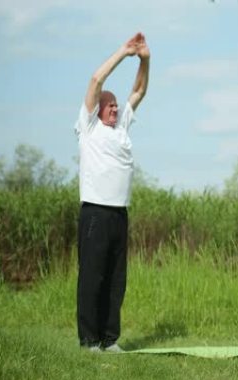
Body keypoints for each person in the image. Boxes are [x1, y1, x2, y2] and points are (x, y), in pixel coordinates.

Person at [74, 32, 150, 353]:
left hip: (120, 213)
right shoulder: (88, 127)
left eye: (116, 106)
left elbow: (140, 89)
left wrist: (145, 58)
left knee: (116, 280)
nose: (115, 109)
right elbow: (95, 79)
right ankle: (90, 341)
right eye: (109, 105)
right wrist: (124, 51)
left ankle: (110, 339)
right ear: (97, 109)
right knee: (93, 277)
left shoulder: (121, 129)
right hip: (95, 212)